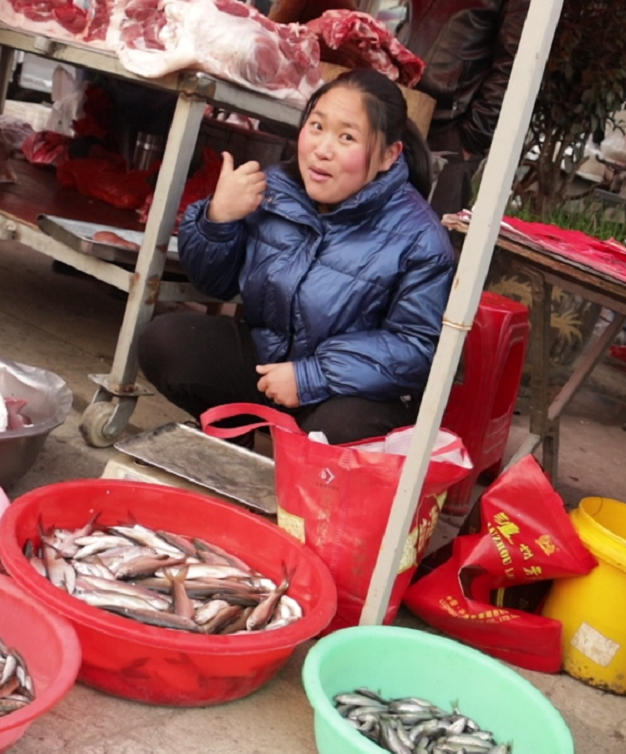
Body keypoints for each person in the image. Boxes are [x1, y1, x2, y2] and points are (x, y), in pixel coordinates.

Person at [137, 69, 457, 445]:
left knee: (343, 428)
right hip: (269, 363)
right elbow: (214, 283)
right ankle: (234, 440)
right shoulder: (276, 190)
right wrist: (217, 220)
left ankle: (312, 473)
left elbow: (416, 348)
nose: (322, 149)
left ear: (389, 155)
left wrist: (310, 377)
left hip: (347, 393)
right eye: (317, 126)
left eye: (347, 137)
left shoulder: (422, 238)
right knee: (166, 340)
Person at [397, 0, 531, 215]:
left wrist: (471, 138)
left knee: (430, 235)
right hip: (405, 108)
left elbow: (518, 63)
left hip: (451, 127)